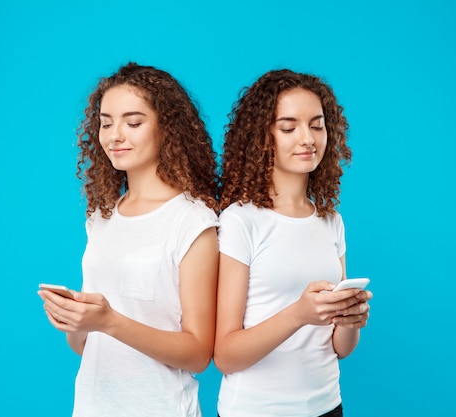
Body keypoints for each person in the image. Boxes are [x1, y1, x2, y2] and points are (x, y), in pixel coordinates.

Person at [38, 62, 220, 417]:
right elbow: (87, 346)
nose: (115, 135)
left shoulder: (192, 221)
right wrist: (75, 321)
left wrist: (109, 321)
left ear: (167, 128)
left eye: (133, 123)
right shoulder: (102, 218)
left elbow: (199, 353)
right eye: (106, 123)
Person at [213, 69, 373, 417]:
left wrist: (349, 320)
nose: (308, 139)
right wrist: (298, 314)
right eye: (289, 127)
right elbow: (225, 354)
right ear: (263, 137)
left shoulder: (331, 220)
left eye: (317, 125)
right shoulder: (240, 221)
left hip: (328, 406)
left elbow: (339, 349)